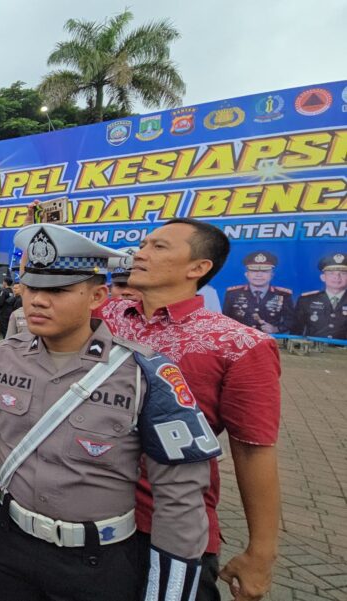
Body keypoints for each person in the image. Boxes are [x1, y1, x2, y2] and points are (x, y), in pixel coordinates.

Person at [0, 223, 219, 601]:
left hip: (97, 561)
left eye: (57, 290)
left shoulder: (145, 374)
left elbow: (180, 499)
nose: (38, 300)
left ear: (97, 296)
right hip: (9, 545)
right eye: (31, 287)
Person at [92, 217, 281, 601]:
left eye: (158, 247)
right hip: (86, 506)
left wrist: (261, 553)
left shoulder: (240, 345)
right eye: (143, 245)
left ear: (198, 267)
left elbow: (252, 449)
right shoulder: (102, 316)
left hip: (167, 522)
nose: (140, 253)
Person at [222, 252, 294, 334]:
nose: (259, 275)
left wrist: (275, 329)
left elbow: (291, 320)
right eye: (253, 271)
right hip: (241, 338)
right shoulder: (233, 293)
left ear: (272, 274)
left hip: (269, 339)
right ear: (246, 274)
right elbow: (225, 319)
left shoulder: (283, 294)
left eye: (264, 271)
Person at [293, 253, 347, 340]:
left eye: (343, 273)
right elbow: (295, 331)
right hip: (313, 348)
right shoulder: (306, 300)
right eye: (331, 273)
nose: (337, 277)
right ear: (323, 277)